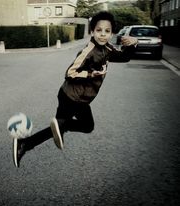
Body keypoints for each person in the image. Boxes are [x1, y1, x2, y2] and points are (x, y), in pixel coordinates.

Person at [13, 11, 138, 167]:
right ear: (92, 31)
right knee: (71, 126)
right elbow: (70, 72)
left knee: (82, 126)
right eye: (99, 30)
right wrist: (92, 73)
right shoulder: (88, 51)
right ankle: (27, 142)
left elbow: (124, 57)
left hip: (81, 99)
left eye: (107, 31)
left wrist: (133, 43)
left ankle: (52, 131)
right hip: (70, 97)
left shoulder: (107, 48)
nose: (102, 35)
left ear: (112, 33)